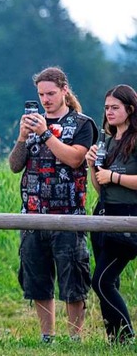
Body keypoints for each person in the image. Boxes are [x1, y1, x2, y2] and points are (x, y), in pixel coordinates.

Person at [8, 66, 97, 343]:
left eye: (50, 93)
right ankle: (47, 335)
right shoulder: (32, 123)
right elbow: (14, 166)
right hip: (33, 214)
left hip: (68, 214)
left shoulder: (82, 124)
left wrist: (47, 134)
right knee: (37, 279)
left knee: (73, 280)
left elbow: (74, 159)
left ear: (64, 91)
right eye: (41, 94)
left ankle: (75, 338)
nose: (45, 100)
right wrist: (23, 136)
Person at [85, 84, 137, 344]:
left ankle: (126, 337)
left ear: (130, 109)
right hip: (103, 212)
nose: (109, 112)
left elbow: (114, 178)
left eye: (115, 108)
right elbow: (99, 185)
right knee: (108, 282)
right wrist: (91, 166)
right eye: (106, 108)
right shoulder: (105, 139)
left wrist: (114, 175)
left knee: (102, 281)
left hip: (129, 217)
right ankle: (114, 339)